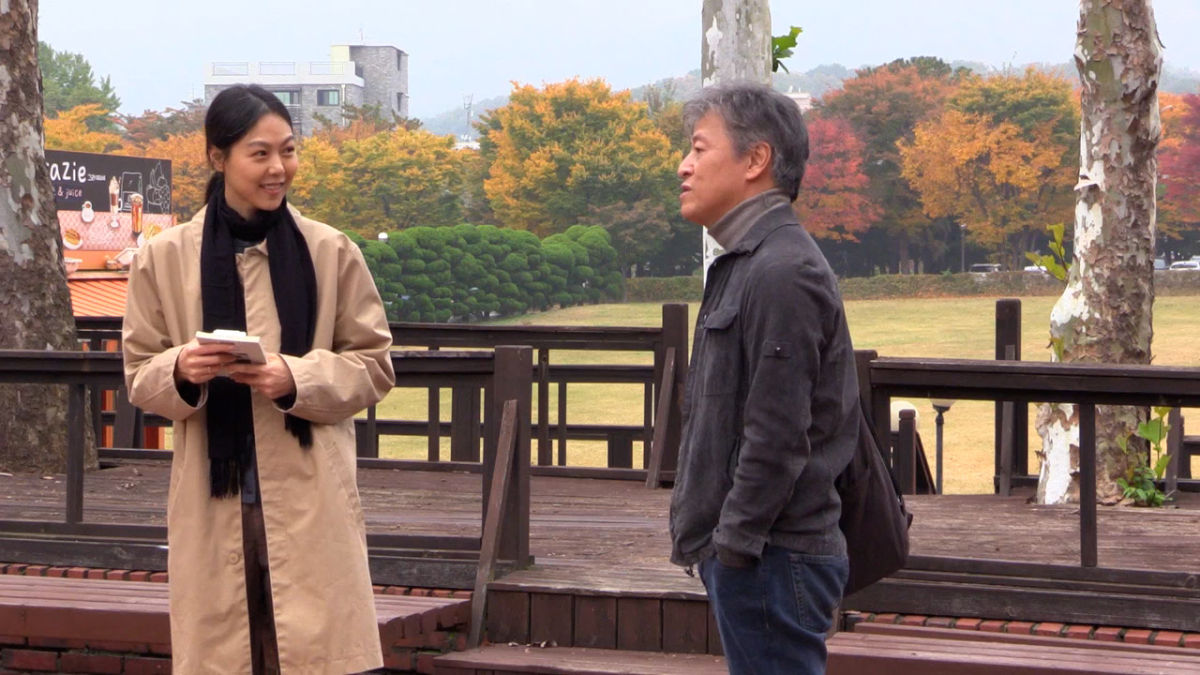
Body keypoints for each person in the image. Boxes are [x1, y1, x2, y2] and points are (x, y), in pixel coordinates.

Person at [122, 84, 396, 675]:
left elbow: (373, 365)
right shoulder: (163, 257)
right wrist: (181, 370)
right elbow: (140, 373)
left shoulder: (330, 250)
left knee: (315, 653)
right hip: (212, 491)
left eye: (289, 151)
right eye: (261, 153)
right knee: (226, 653)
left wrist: (292, 375)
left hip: (308, 491)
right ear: (218, 159)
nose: (280, 169)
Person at [668, 82, 859, 675]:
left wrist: (736, 545)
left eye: (700, 149)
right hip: (760, 554)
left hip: (774, 555)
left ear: (756, 161)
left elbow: (777, 431)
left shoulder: (781, 269)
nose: (684, 165)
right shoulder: (748, 262)